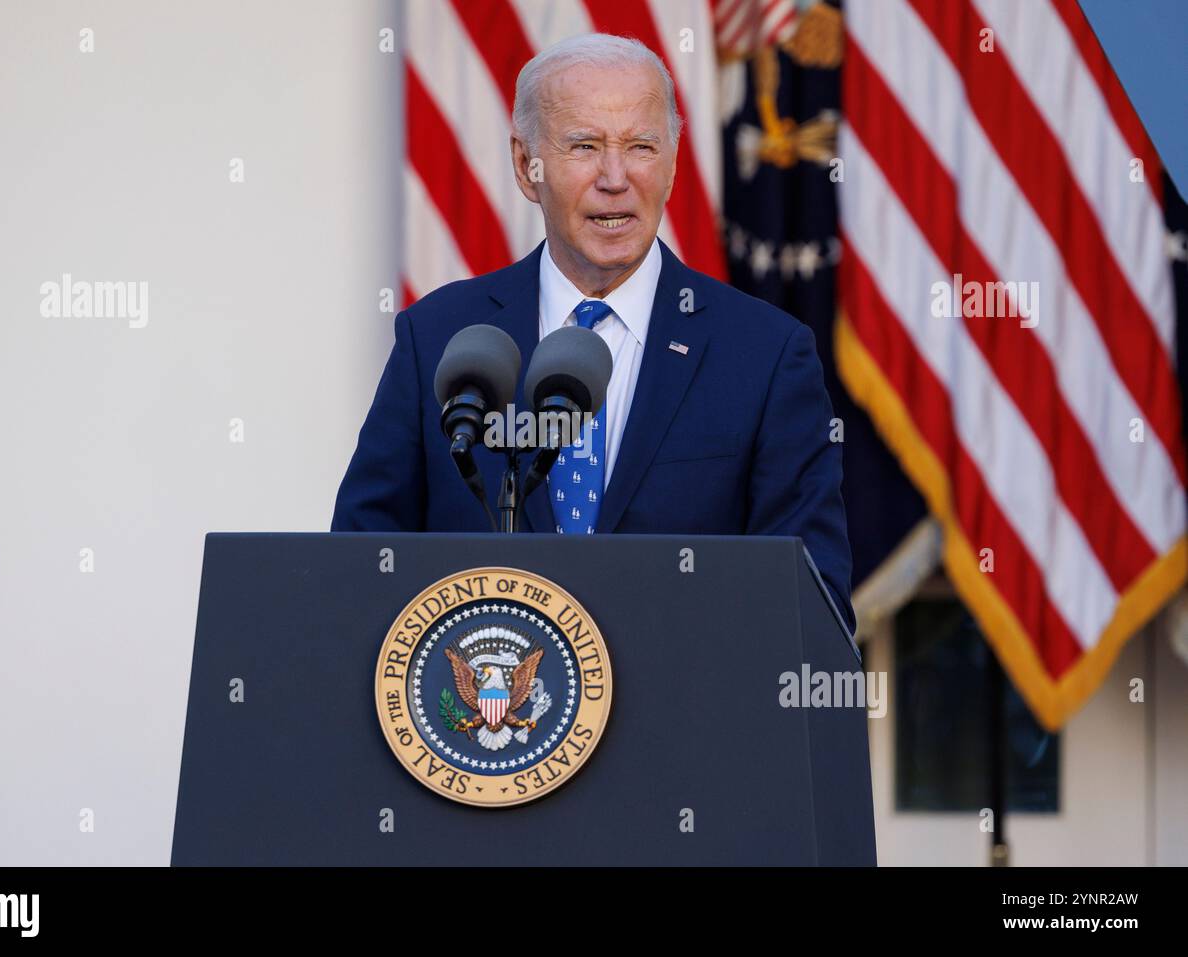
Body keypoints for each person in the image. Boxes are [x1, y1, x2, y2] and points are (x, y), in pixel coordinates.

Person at [332, 33, 853, 631]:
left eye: (641, 146)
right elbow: (361, 568)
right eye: (584, 146)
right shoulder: (439, 338)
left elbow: (810, 601)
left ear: (674, 162)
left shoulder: (765, 354)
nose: (615, 177)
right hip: (487, 710)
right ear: (527, 167)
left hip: (684, 720)